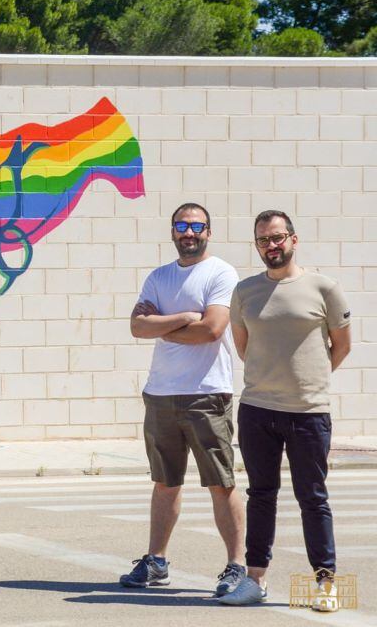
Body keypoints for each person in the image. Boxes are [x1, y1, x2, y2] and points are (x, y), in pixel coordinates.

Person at [219, 211, 351, 610]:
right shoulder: (245, 292)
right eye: (263, 240)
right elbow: (243, 346)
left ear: (293, 239)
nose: (271, 246)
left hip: (308, 413)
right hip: (258, 410)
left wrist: (308, 381)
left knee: (313, 497)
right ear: (257, 245)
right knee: (261, 495)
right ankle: (255, 580)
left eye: (277, 238)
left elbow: (341, 346)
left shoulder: (324, 288)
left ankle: (325, 584)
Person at [122, 203, 246, 596]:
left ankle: (236, 566)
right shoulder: (159, 277)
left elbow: (211, 329)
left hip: (207, 396)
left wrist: (164, 324)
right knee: (164, 483)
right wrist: (183, 317)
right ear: (172, 231)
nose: (188, 232)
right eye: (181, 225)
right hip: (160, 395)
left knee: (221, 484)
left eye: (196, 226)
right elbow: (137, 326)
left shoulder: (221, 272)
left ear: (209, 231)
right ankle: (156, 561)